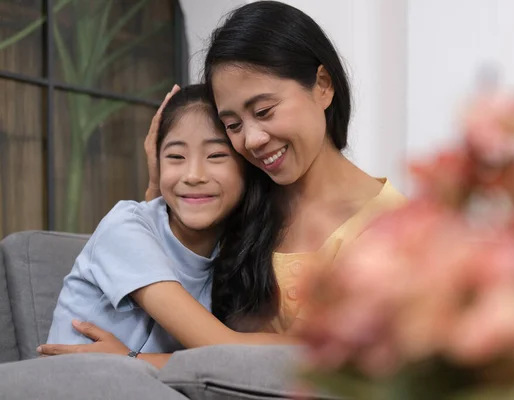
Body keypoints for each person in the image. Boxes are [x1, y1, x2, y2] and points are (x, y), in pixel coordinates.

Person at [38, 0, 404, 364]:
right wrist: (159, 183)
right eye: (233, 125)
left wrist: (134, 363)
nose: (253, 139)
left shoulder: (392, 227)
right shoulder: (242, 204)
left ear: (323, 85)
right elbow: (163, 255)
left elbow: (319, 359)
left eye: (264, 111)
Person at [45, 84, 288, 368]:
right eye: (175, 157)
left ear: (248, 168)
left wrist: (132, 359)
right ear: (157, 162)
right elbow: (226, 351)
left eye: (216, 156)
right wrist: (322, 348)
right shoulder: (123, 228)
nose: (194, 175)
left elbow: (221, 360)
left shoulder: (238, 257)